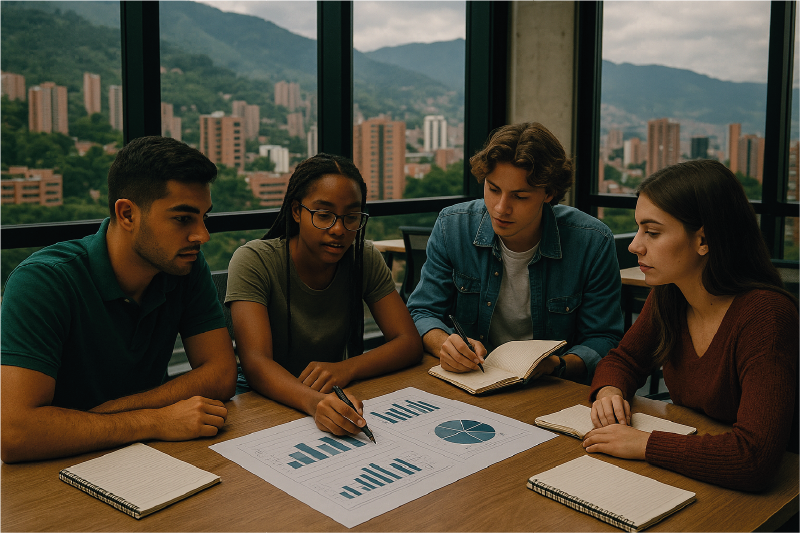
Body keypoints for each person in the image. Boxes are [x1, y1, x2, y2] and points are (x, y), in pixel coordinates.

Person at [0, 136, 238, 464]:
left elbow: (222, 374)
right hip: (53, 468)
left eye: (204, 218)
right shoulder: (43, 282)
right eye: (183, 219)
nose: (202, 235)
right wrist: (156, 420)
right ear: (127, 214)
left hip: (148, 457)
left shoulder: (185, 266)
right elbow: (16, 433)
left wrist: (109, 414)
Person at [584, 159, 800, 491]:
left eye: (652, 232)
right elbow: (623, 360)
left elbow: (754, 458)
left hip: (766, 498)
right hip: (694, 466)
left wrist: (643, 443)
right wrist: (610, 392)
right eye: (638, 228)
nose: (634, 245)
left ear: (704, 239)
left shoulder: (766, 317)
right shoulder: (670, 294)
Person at [406, 122, 623, 384]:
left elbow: (603, 338)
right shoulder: (452, 226)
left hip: (551, 388)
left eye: (519, 196)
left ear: (549, 193)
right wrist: (444, 344)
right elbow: (422, 312)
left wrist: (558, 364)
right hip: (471, 380)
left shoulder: (592, 242)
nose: (500, 208)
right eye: (493, 189)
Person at [226, 153, 422, 436]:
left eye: (351, 217)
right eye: (324, 215)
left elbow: (409, 342)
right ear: (296, 211)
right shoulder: (254, 260)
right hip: (262, 401)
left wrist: (346, 369)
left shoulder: (364, 257)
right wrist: (315, 402)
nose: (339, 229)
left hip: (331, 396)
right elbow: (256, 364)